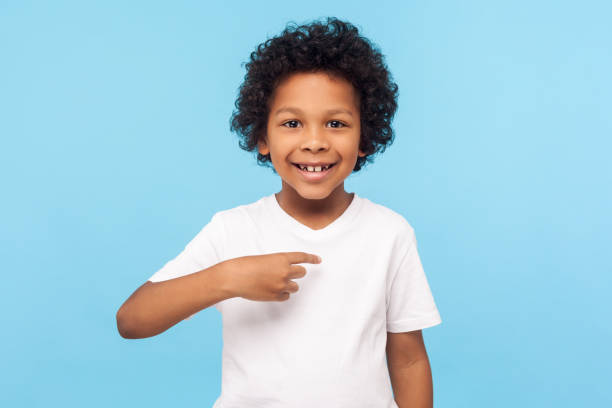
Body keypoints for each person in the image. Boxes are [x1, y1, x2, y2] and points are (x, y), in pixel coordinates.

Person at [116, 16, 442, 408]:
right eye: (292, 123)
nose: (315, 142)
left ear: (365, 139)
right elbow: (132, 320)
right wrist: (229, 277)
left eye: (336, 123)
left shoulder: (390, 233)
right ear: (261, 137)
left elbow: (408, 361)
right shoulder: (232, 230)